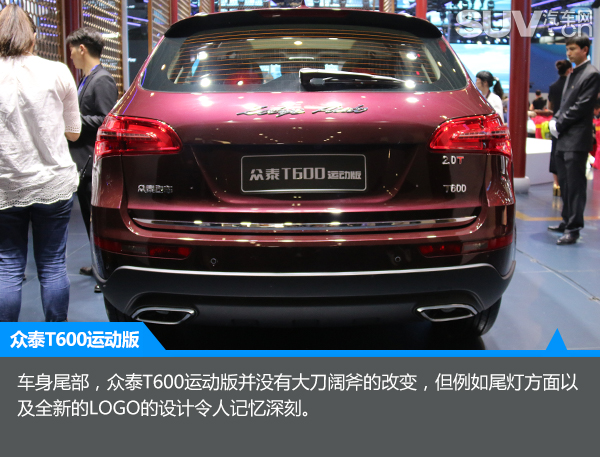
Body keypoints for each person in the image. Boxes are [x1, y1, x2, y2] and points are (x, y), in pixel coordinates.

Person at [0, 5, 81, 321]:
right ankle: (56, 338)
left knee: (8, 266)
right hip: (52, 182)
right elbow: (73, 132)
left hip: (5, 185)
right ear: (33, 37)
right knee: (52, 266)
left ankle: (6, 343)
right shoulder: (57, 71)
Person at [66, 27, 118, 280]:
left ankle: (103, 270)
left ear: (82, 49)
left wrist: (72, 120)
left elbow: (105, 120)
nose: (71, 55)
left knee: (95, 219)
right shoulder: (87, 79)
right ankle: (98, 266)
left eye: (72, 50)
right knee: (89, 217)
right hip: (82, 160)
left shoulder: (102, 79)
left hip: (91, 160)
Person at [548, 34, 600, 245]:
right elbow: (565, 104)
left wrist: (559, 123)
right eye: (567, 49)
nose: (568, 53)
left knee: (576, 185)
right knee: (565, 182)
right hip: (564, 137)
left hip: (577, 138)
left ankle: (574, 228)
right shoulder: (573, 73)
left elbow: (582, 106)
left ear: (584, 50)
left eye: (572, 49)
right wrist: (555, 120)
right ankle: (566, 220)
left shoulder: (592, 74)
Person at [547, 59, 573, 195]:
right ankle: (567, 183)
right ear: (569, 70)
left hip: (555, 124)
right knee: (569, 153)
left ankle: (556, 184)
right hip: (569, 124)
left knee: (555, 152)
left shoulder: (553, 86)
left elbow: (550, 107)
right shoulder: (572, 86)